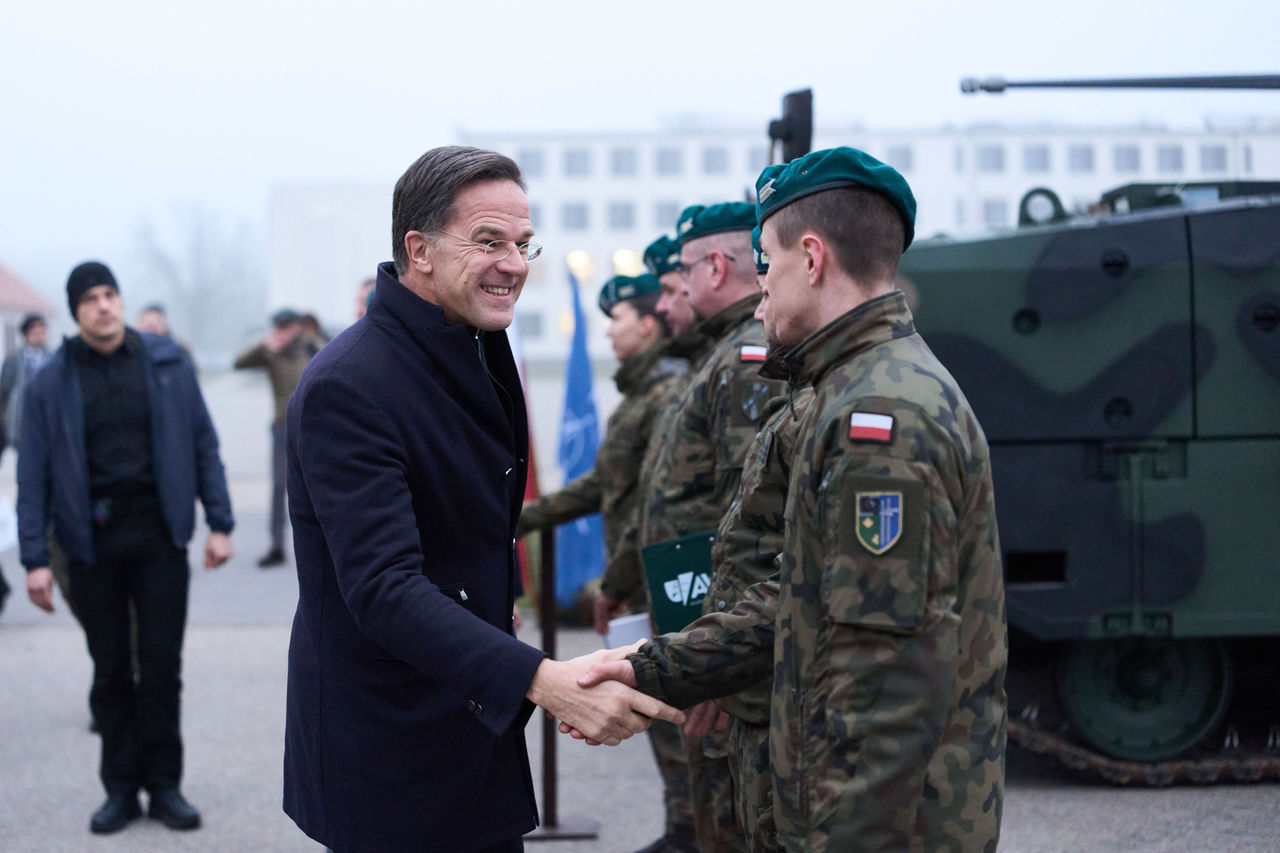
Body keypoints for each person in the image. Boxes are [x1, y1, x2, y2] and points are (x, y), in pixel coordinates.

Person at [578, 148, 1008, 851]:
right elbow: (798, 595)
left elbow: (885, 688)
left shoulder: (879, 417)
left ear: (811, 258)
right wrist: (651, 668)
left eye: (766, 265)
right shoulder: (840, 389)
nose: (760, 291)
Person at [281, 145, 683, 853]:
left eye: (523, 244)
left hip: (472, 718)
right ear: (420, 250)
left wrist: (514, 614)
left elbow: (472, 519)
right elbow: (383, 586)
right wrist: (543, 679)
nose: (516, 264)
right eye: (489, 241)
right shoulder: (351, 385)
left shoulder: (471, 344)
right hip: (392, 745)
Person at [19, 260, 235, 834]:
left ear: (120, 299)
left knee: (162, 666)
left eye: (110, 293)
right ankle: (119, 789)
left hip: (160, 539)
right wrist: (34, 561)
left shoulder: (167, 364)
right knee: (111, 669)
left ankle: (164, 786)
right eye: (90, 298)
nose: (104, 305)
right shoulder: (51, 382)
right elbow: (33, 474)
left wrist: (220, 522)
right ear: (76, 311)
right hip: (91, 547)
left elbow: (203, 445)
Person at [641, 202, 786, 853]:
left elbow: (748, 523)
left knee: (728, 817)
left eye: (684, 271)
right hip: (704, 620)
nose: (676, 289)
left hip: (725, 634)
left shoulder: (742, 360)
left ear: (716, 266)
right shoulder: (720, 353)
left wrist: (718, 665)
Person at [517, 272, 682, 631]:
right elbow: (606, 482)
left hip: (664, 577)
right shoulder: (641, 394)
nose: (607, 331)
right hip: (645, 578)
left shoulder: (669, 395)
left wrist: (616, 582)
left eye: (616, 319)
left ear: (647, 325)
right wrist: (522, 516)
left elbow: (654, 502)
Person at [233, 308, 321, 567]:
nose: (280, 333)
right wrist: (264, 344)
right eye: (277, 328)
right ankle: (276, 546)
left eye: (284, 328)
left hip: (314, 427)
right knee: (279, 487)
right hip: (282, 426)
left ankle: (322, 545)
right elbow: (239, 363)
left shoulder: (313, 347)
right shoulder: (270, 350)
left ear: (296, 327)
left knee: (317, 487)